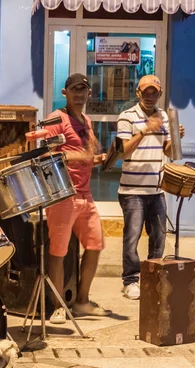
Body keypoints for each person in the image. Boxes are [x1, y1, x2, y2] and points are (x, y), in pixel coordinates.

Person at [41, 73, 110, 325]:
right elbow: (43, 154)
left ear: (89, 93)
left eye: (83, 90)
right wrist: (81, 156)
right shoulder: (56, 119)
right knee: (58, 252)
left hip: (85, 194)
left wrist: (99, 157)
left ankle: (82, 301)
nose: (79, 95)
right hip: (63, 194)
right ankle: (58, 306)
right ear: (65, 93)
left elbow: (87, 152)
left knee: (95, 245)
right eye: (74, 90)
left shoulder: (86, 119)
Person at [116, 75, 185, 300]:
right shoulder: (126, 116)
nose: (149, 96)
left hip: (156, 189)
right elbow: (123, 151)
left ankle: (151, 277)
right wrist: (145, 129)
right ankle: (130, 280)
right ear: (138, 93)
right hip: (132, 190)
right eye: (145, 92)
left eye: (153, 92)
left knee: (159, 237)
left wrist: (176, 138)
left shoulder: (164, 116)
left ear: (160, 94)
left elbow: (168, 152)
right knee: (132, 237)